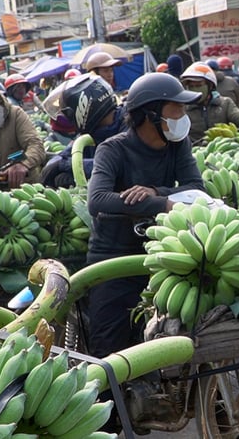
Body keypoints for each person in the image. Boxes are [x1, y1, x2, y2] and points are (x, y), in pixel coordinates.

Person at [86, 72, 205, 361]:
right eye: (176, 109)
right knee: (109, 351)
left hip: (160, 256)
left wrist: (155, 191)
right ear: (149, 115)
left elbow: (197, 187)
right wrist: (159, 205)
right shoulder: (112, 149)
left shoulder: (178, 145)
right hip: (113, 261)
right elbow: (97, 200)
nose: (183, 115)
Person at [41, 73, 128, 188]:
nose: (69, 120)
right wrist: (57, 163)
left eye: (69, 114)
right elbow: (63, 155)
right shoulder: (94, 132)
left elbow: (117, 165)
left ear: (84, 106)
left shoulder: (129, 125)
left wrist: (65, 164)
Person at [180, 61, 239, 145]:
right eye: (191, 86)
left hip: (224, 149)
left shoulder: (225, 104)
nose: (195, 89)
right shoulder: (183, 108)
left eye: (198, 85)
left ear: (210, 86)